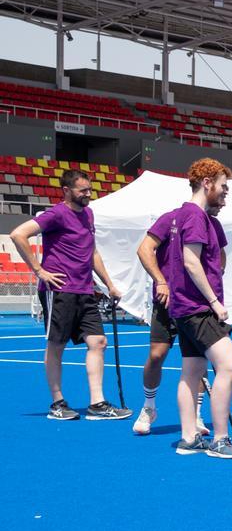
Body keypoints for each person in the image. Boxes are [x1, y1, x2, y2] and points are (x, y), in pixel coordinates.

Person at [10, 169, 127, 421]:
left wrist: (108, 284)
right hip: (59, 290)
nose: (88, 194)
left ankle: (97, 403)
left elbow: (92, 251)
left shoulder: (88, 214)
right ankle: (57, 403)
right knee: (56, 345)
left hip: (85, 289)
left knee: (98, 342)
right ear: (66, 191)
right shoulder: (56, 214)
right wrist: (39, 270)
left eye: (89, 189)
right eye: (82, 190)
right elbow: (18, 234)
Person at [168, 158, 232, 459]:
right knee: (229, 366)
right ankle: (220, 440)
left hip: (184, 307)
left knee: (192, 371)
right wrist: (214, 301)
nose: (226, 193)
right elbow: (190, 260)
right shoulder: (195, 216)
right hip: (197, 307)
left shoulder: (187, 216)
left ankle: (188, 438)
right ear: (207, 182)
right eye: (223, 187)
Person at [133, 205, 208, 436]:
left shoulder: (208, 222)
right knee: (157, 355)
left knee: (198, 360)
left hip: (195, 303)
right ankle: (149, 407)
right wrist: (161, 281)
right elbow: (145, 249)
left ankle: (196, 414)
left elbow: (220, 257)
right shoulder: (170, 218)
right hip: (166, 301)